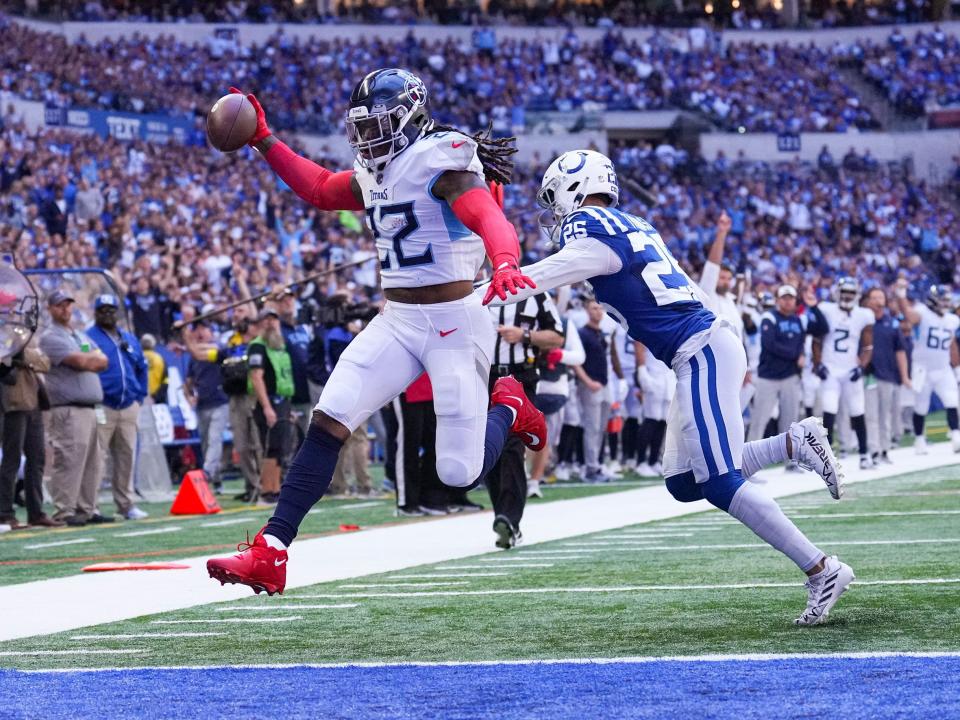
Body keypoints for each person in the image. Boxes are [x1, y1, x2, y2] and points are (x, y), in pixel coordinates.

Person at [208, 69, 545, 595]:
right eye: (362, 127)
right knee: (330, 418)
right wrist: (264, 141)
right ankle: (272, 550)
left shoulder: (442, 156)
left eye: (380, 124)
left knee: (458, 473)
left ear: (410, 114)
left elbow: (485, 215)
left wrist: (505, 261)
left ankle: (509, 407)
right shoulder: (375, 174)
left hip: (456, 320)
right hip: (398, 319)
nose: (368, 138)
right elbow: (320, 188)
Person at [486, 149, 851, 625]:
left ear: (576, 188)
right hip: (701, 348)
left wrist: (475, 296)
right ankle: (792, 442)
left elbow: (543, 276)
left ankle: (821, 568)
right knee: (684, 482)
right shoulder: (635, 223)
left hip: (698, 350)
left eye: (556, 199)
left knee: (719, 482)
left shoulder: (589, 228)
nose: (555, 212)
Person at [485, 291, 563, 547]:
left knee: (511, 447)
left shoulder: (535, 294)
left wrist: (525, 335)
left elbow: (557, 337)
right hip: (484, 377)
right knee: (487, 449)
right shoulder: (476, 290)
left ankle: (510, 518)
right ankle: (503, 516)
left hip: (520, 378)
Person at [38, 290, 111, 526]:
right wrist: (89, 360)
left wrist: (90, 360)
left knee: (93, 461)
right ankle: (65, 510)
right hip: (68, 407)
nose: (65, 309)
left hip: (91, 407)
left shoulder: (79, 335)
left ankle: (87, 508)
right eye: (60, 305)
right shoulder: (50, 337)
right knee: (69, 459)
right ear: (50, 309)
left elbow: (102, 359)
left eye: (68, 305)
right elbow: (81, 361)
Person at [183, 306, 263, 501]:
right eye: (235, 314)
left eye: (242, 313)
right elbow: (196, 353)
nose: (237, 317)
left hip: (257, 396)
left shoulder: (260, 343)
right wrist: (184, 331)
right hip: (235, 399)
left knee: (260, 445)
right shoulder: (228, 349)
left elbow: (256, 315)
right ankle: (254, 486)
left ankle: (267, 487)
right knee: (242, 447)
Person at [87, 294, 150, 520]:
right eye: (102, 310)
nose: (107, 314)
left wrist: (139, 396)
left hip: (128, 405)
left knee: (126, 455)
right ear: (95, 313)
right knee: (97, 456)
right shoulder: (88, 338)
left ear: (117, 313)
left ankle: (126, 504)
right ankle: (90, 506)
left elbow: (142, 368)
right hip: (103, 404)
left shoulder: (130, 339)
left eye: (111, 310)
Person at [808, 278, 876, 469]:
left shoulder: (864, 315)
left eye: (851, 293)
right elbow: (816, 339)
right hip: (830, 369)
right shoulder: (827, 309)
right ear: (837, 292)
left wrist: (861, 366)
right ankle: (827, 459)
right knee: (829, 411)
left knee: (857, 411)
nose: (847, 296)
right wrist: (818, 363)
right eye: (844, 292)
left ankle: (864, 454)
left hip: (849, 369)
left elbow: (869, 346)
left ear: (857, 296)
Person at [0, 345, 62, 528]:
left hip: (33, 404)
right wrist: (20, 358)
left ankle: (36, 512)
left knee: (37, 459)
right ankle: (4, 513)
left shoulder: (21, 343)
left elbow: (45, 363)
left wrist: (21, 359)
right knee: (12, 460)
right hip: (12, 406)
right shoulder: (7, 342)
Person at [896, 282, 960, 454]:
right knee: (921, 406)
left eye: (947, 300)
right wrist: (901, 296)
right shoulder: (923, 313)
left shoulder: (952, 320)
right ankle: (919, 440)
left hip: (943, 367)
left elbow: (952, 345)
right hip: (922, 368)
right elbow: (908, 316)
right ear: (933, 300)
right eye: (942, 300)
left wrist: (957, 366)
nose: (946, 304)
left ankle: (956, 436)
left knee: (952, 401)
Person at [747, 285, 807, 455]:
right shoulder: (769, 317)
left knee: (791, 422)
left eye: (791, 298)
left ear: (795, 300)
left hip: (790, 376)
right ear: (778, 300)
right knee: (759, 420)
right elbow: (770, 344)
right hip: (768, 376)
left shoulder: (798, 320)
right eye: (784, 298)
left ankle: (791, 460)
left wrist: (800, 353)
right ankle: (748, 461)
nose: (788, 301)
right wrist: (795, 355)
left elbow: (803, 341)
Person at [247, 308, 295, 505]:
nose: (270, 323)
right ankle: (267, 491)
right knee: (270, 446)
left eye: (273, 320)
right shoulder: (257, 347)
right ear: (260, 325)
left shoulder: (279, 346)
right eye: (266, 320)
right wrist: (266, 407)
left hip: (282, 400)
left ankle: (276, 489)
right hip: (268, 402)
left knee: (280, 447)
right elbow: (256, 377)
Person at [863, 287, 911, 464]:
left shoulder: (892, 323)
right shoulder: (862, 321)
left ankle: (884, 450)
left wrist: (904, 376)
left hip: (888, 374)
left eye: (880, 297)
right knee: (871, 414)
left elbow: (900, 351)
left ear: (884, 300)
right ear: (867, 300)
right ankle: (874, 450)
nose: (877, 301)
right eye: (873, 297)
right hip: (868, 374)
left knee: (886, 415)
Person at [575, 299, 621, 483]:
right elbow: (577, 362)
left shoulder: (602, 333)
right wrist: (586, 380)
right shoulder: (582, 334)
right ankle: (590, 467)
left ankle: (597, 463)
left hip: (604, 383)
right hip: (590, 384)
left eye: (600, 308)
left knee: (601, 427)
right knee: (592, 427)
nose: (598, 311)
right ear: (587, 310)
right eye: (594, 308)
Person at [184, 322, 230, 492]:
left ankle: (207, 473)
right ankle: (216, 479)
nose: (201, 332)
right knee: (205, 443)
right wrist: (189, 396)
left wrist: (185, 335)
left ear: (212, 333)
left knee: (214, 438)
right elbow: (188, 381)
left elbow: (197, 350)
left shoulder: (218, 350)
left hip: (219, 401)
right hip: (202, 403)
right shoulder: (194, 358)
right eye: (198, 330)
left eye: (204, 329)